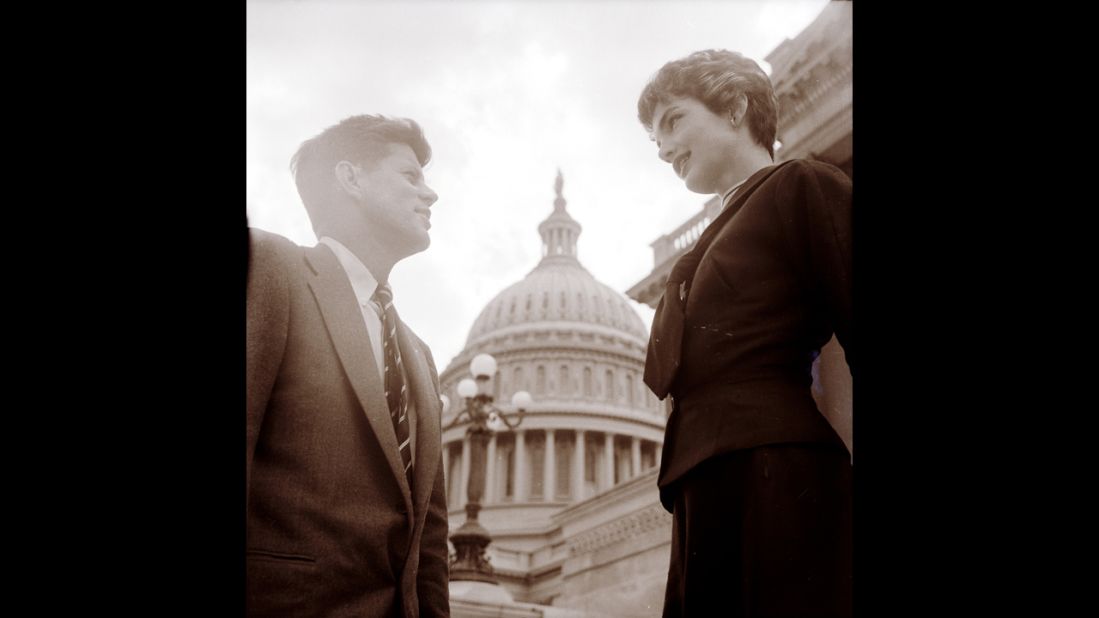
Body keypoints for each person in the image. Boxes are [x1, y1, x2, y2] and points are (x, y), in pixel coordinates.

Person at [637, 50, 852, 617]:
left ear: (734, 107)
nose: (661, 149)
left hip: (773, 471)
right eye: (653, 138)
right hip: (704, 481)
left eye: (673, 120)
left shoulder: (801, 186)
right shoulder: (713, 235)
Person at [246, 114, 449, 617]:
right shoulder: (270, 267)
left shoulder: (419, 355)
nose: (431, 195)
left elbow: (429, 541)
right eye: (410, 176)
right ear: (350, 178)